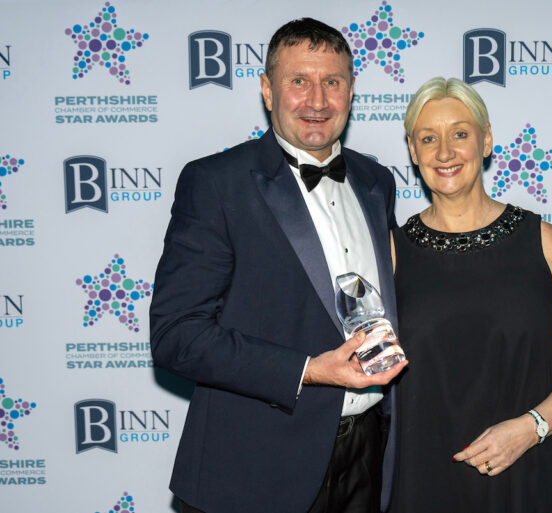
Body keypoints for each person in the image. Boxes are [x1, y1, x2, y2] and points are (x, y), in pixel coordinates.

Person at [150, 18, 407, 513]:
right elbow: (176, 336)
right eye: (298, 81)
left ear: (352, 92)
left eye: (332, 82)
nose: (316, 101)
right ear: (267, 90)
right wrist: (310, 370)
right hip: (256, 466)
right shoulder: (216, 183)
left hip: (369, 458)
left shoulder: (377, 182)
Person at [389, 77, 552, 512]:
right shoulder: (390, 252)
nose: (445, 152)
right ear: (413, 152)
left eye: (461, 134)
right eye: (428, 138)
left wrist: (531, 428)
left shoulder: (542, 241)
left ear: (486, 140)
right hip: (425, 480)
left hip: (533, 472)